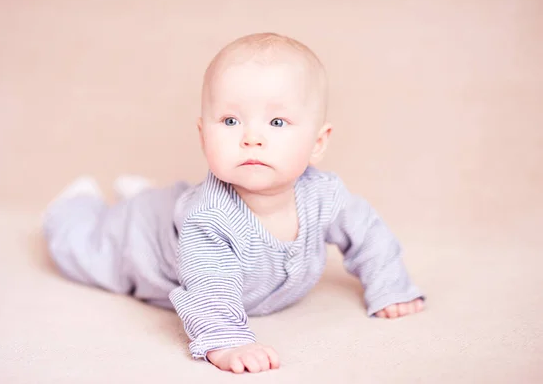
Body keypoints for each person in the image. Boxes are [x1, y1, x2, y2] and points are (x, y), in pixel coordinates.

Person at [43, 32, 425, 374]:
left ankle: (141, 195)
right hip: (142, 243)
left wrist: (389, 287)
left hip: (169, 208)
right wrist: (228, 342)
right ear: (202, 134)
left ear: (318, 143)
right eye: (229, 121)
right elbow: (209, 288)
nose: (251, 137)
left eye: (277, 122)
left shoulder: (324, 195)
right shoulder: (209, 220)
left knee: (164, 203)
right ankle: (74, 205)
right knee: (90, 254)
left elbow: (370, 236)